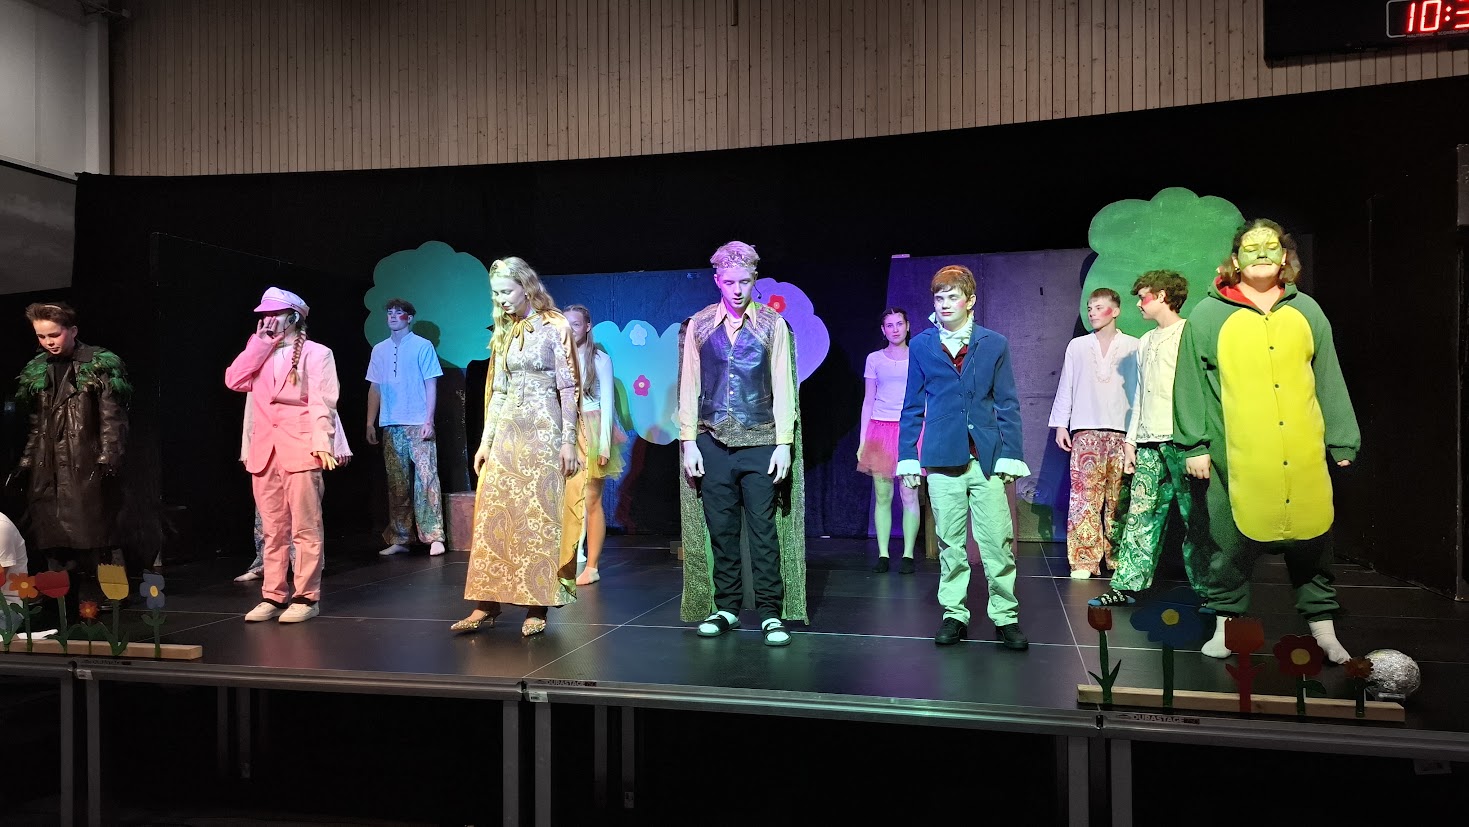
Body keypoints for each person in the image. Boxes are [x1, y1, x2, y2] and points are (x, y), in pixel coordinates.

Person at [1175, 219, 1359, 663]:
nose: (1261, 255)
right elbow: (1189, 382)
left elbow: (1328, 376)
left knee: (1313, 542)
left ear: (1285, 257)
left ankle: (1323, 631)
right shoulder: (1208, 315)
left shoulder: (1307, 311)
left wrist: (1342, 439)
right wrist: (1194, 445)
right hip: (1237, 456)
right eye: (1251, 248)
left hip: (1301, 451)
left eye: (1270, 247)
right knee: (1228, 545)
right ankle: (1227, 626)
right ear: (1235, 260)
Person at [678, 240, 806, 647]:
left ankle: (770, 612)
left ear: (754, 280)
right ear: (718, 280)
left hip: (761, 441)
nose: (737, 290)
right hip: (712, 440)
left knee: (763, 531)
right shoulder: (699, 325)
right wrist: (688, 441)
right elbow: (689, 387)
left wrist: (784, 443)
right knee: (721, 529)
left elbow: (783, 387)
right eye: (730, 282)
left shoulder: (772, 324)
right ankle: (727, 607)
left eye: (745, 282)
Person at [897, 265, 1030, 650]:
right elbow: (912, 405)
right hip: (942, 458)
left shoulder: (994, 343)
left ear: (969, 301)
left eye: (952, 297)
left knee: (997, 542)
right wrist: (908, 455)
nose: (944, 304)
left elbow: (1007, 404)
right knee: (950, 544)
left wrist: (1011, 454)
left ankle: (1005, 616)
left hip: (985, 459)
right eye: (939, 298)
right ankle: (954, 614)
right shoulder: (922, 345)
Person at [455, 257, 581, 637]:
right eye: (496, 293)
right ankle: (486, 602)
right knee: (494, 515)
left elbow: (568, 387)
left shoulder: (555, 325)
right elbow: (498, 391)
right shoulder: (505, 330)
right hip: (509, 431)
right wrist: (485, 442)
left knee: (538, 517)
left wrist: (569, 440)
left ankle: (537, 604)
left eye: (506, 291)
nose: (502, 299)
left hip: (544, 432)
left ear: (526, 287)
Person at [225, 288, 341, 624]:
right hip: (265, 451)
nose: (267, 319)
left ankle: (306, 597)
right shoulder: (260, 352)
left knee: (305, 528)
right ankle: (273, 596)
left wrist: (323, 442)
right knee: (273, 530)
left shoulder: (318, 353)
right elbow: (233, 380)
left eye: (274, 313)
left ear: (293, 317)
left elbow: (323, 402)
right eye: (264, 314)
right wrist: (260, 343)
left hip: (300, 447)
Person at [1090, 271, 1201, 607]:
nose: (1138, 304)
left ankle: (1213, 592)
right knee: (1140, 514)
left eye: (1143, 297)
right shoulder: (1146, 341)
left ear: (1163, 296)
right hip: (1149, 441)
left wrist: (1199, 443)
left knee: (1196, 518)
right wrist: (1131, 441)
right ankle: (1127, 587)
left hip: (1181, 440)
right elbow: (1140, 393)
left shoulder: (1188, 334)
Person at [14, 302, 129, 620]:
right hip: (48, 463)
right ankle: (59, 597)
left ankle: (111, 594)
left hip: (86, 460)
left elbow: (112, 416)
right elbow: (37, 423)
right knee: (52, 534)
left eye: (54, 334)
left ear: (72, 331)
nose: (48, 342)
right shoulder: (38, 369)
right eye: (42, 336)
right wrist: (27, 459)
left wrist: (109, 456)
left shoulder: (99, 364)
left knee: (98, 534)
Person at [1049, 288, 1139, 579]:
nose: (1092, 312)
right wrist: (1061, 424)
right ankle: (1084, 561)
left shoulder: (1133, 346)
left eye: (1099, 307)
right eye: (1090, 308)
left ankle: (1119, 559)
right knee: (1084, 498)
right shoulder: (1077, 346)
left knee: (1119, 500)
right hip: (1086, 430)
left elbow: (1140, 392)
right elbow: (1067, 384)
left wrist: (1136, 435)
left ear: (1115, 311)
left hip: (1122, 432)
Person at [367, 298, 447, 557]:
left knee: (426, 479)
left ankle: (434, 536)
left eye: (398, 312)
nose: (393, 316)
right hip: (391, 423)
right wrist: (370, 421)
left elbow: (431, 384)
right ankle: (401, 537)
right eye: (389, 312)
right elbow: (375, 387)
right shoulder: (379, 349)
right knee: (397, 483)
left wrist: (428, 420)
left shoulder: (422, 346)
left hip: (417, 422)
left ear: (409, 318)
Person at [235, 408, 352, 582]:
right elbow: (252, 413)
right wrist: (247, 449)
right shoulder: (259, 388)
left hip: (301, 448)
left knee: (305, 518)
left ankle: (306, 569)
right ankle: (266, 566)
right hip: (268, 449)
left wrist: (338, 445)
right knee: (268, 520)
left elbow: (323, 407)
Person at [562, 304, 627, 587]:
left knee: (590, 498)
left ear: (587, 326)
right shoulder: (558, 356)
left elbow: (607, 403)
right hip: (564, 430)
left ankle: (592, 565)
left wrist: (604, 445)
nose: (570, 330)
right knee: (566, 498)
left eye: (575, 324)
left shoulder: (599, 358)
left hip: (590, 429)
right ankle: (568, 556)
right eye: (566, 325)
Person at [857, 307, 921, 574]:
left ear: (907, 326)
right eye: (890, 325)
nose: (895, 329)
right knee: (883, 495)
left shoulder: (918, 356)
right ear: (883, 330)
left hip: (909, 429)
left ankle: (908, 555)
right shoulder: (874, 359)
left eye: (899, 324)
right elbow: (868, 400)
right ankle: (883, 554)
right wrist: (863, 440)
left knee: (909, 493)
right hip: (880, 430)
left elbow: (927, 395)